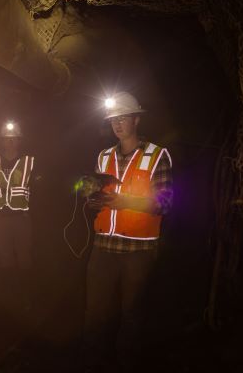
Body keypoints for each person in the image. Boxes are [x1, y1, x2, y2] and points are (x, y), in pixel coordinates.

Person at [82, 92, 173, 372]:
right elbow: (98, 193)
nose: (117, 124)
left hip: (138, 251)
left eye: (123, 118)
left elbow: (165, 203)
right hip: (103, 247)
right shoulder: (104, 156)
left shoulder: (157, 155)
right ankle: (95, 363)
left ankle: (127, 364)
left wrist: (126, 202)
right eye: (113, 120)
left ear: (136, 119)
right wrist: (90, 197)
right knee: (95, 313)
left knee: (131, 313)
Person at [0, 121, 35, 310]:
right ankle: (8, 293)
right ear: (2, 141)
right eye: (7, 139)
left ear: (19, 140)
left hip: (22, 218)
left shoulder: (29, 161)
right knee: (4, 257)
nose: (10, 143)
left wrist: (34, 211)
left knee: (24, 257)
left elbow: (39, 189)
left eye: (14, 139)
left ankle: (26, 293)